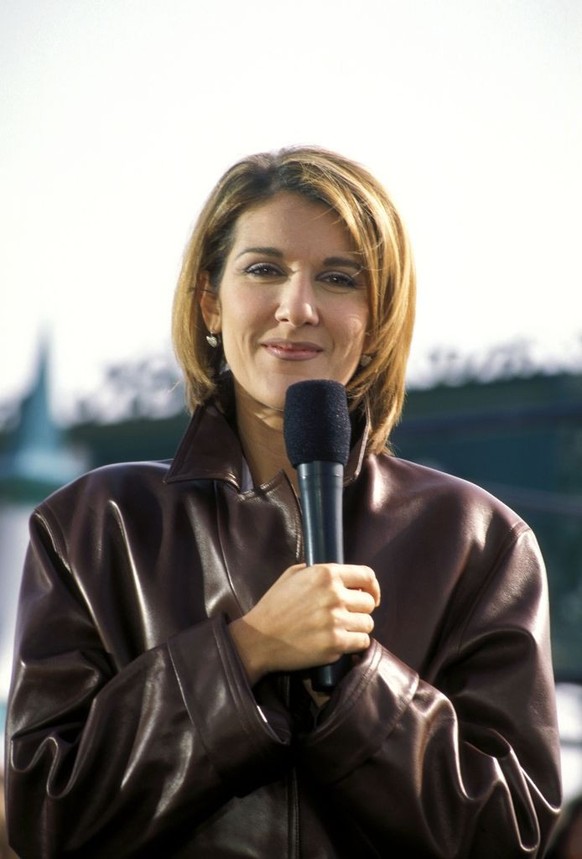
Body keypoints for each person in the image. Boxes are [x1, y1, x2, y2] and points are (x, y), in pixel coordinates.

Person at [5, 146, 561, 857]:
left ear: (376, 315)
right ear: (210, 300)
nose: (297, 308)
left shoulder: (481, 541)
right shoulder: (95, 525)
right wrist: (247, 650)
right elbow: (44, 816)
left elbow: (513, 836)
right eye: (264, 269)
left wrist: (358, 687)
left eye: (337, 277)